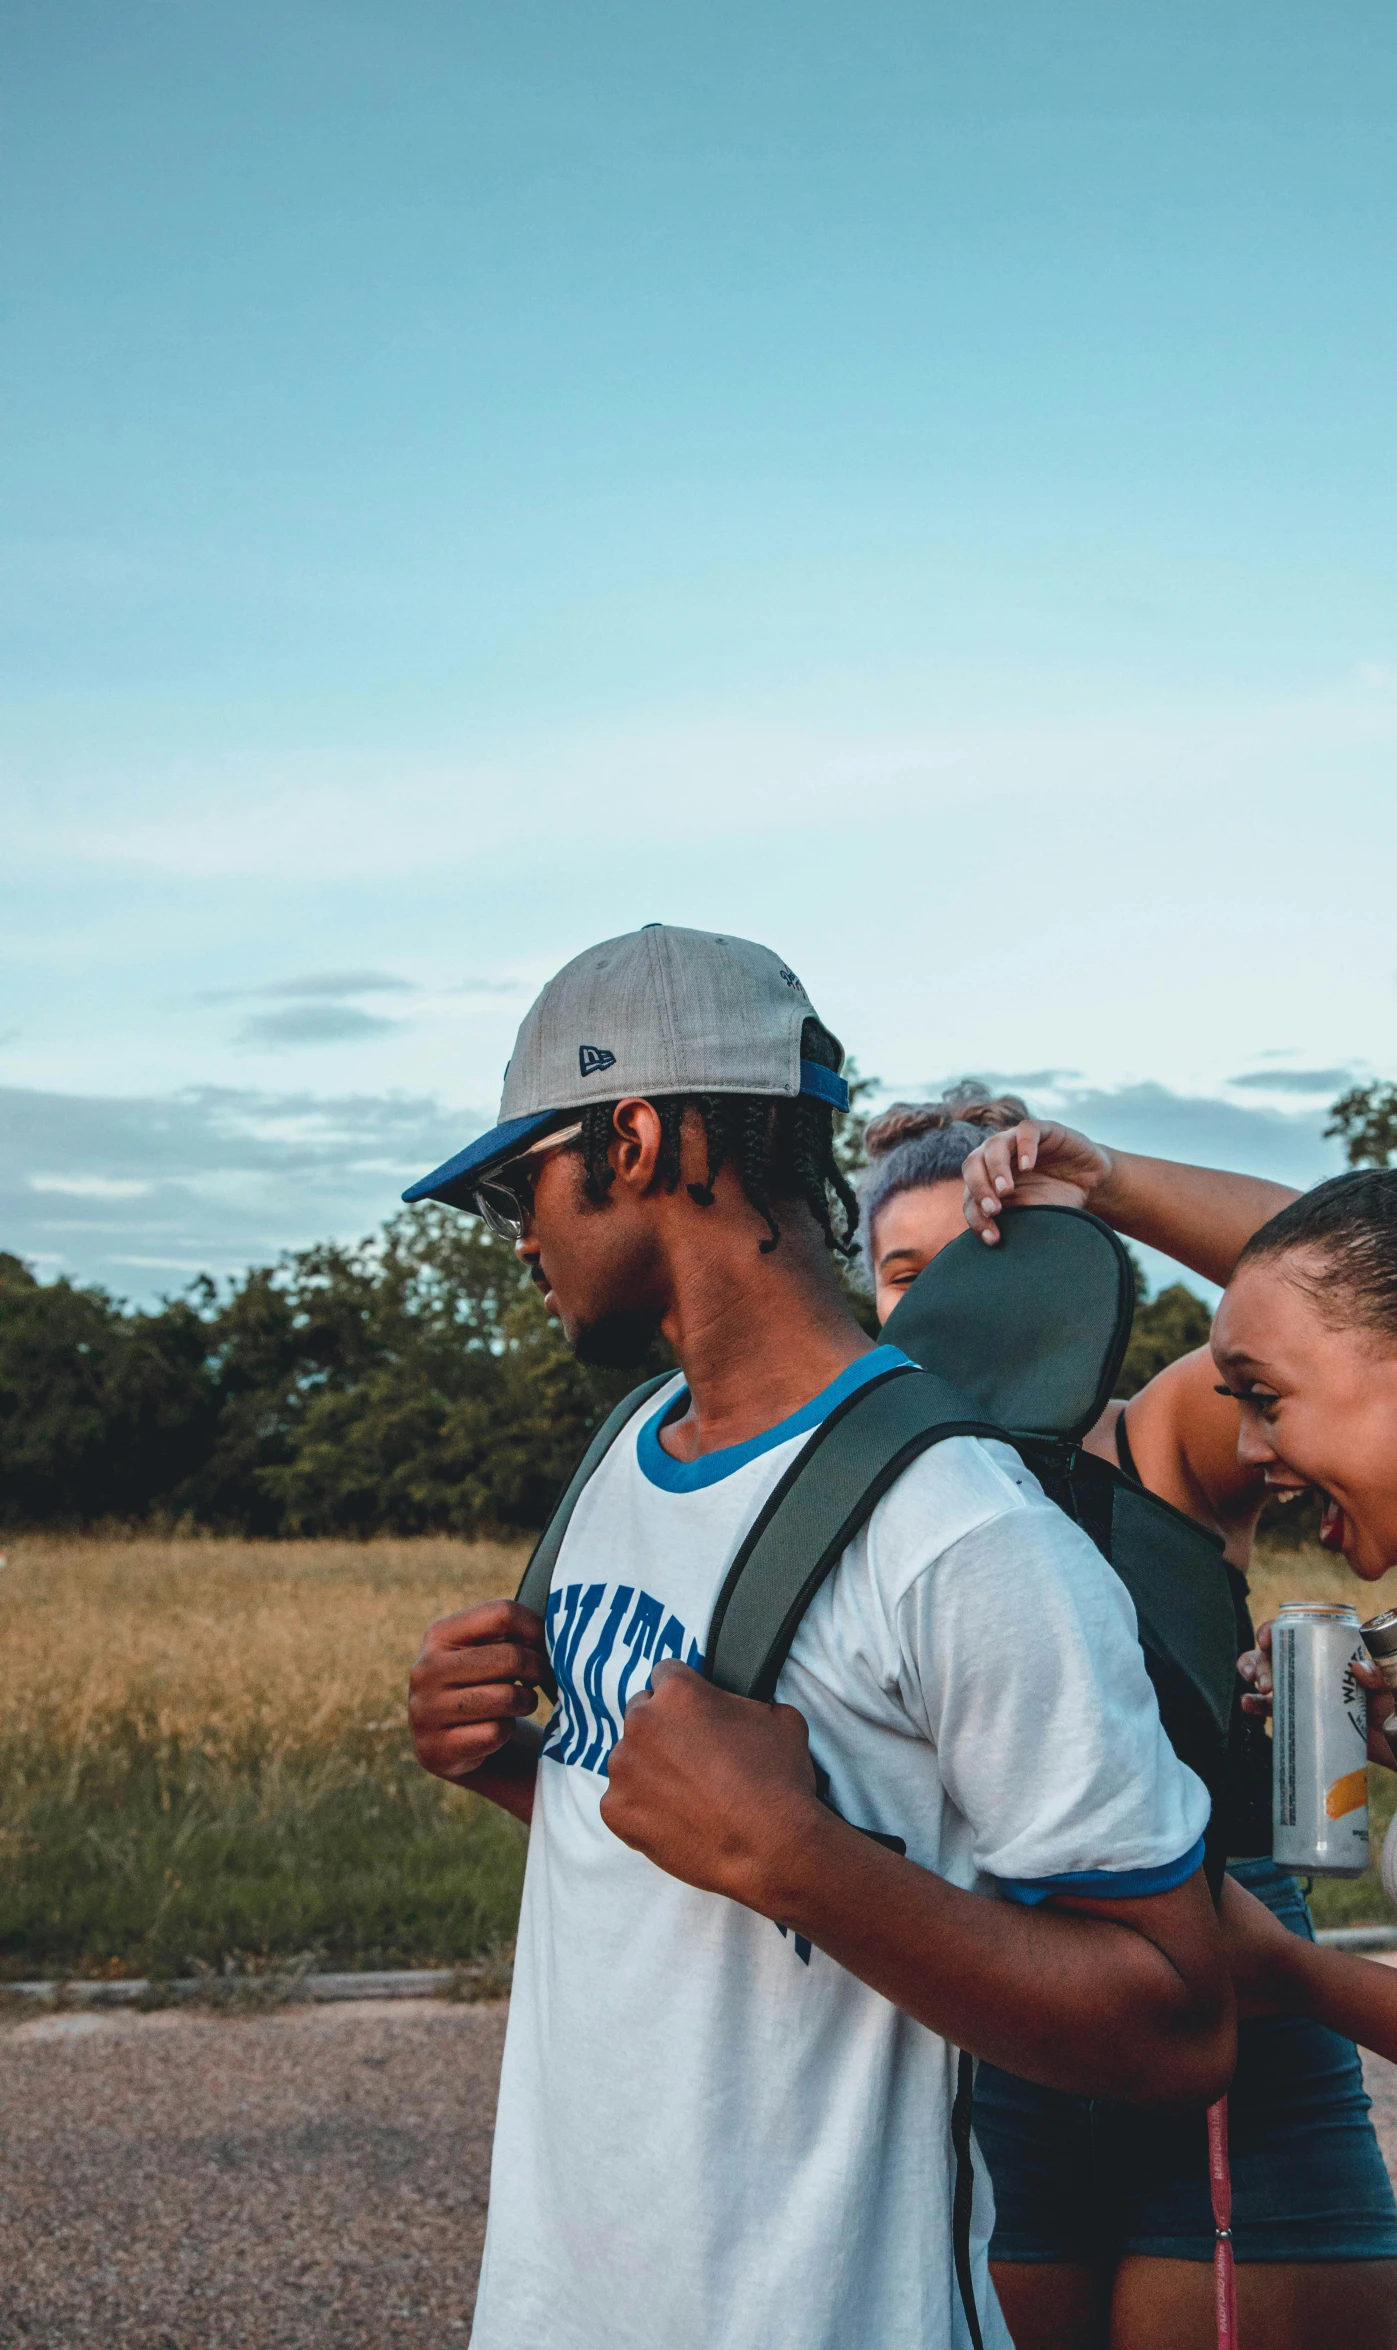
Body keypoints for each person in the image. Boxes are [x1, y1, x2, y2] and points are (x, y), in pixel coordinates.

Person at [402, 928, 1233, 2350]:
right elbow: (676, 1857)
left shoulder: (958, 1528)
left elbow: (1173, 2021)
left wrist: (801, 1858)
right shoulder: (625, 1449)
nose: (514, 1233)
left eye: (512, 1183)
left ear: (637, 1134)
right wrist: (503, 1763)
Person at [963, 1110, 1397, 2348]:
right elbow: (1371, 1279)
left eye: (1264, 1402)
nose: (1252, 1449)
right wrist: (1110, 1181)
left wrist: (1291, 1971)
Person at [861, 1091, 1397, 2350]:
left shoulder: (1161, 1440)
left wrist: (1108, 1181)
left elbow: (1376, 1298)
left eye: (981, 1257)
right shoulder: (838, 1499)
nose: (948, 1297)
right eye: (904, 1270)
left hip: (1236, 2008)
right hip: (984, 2029)